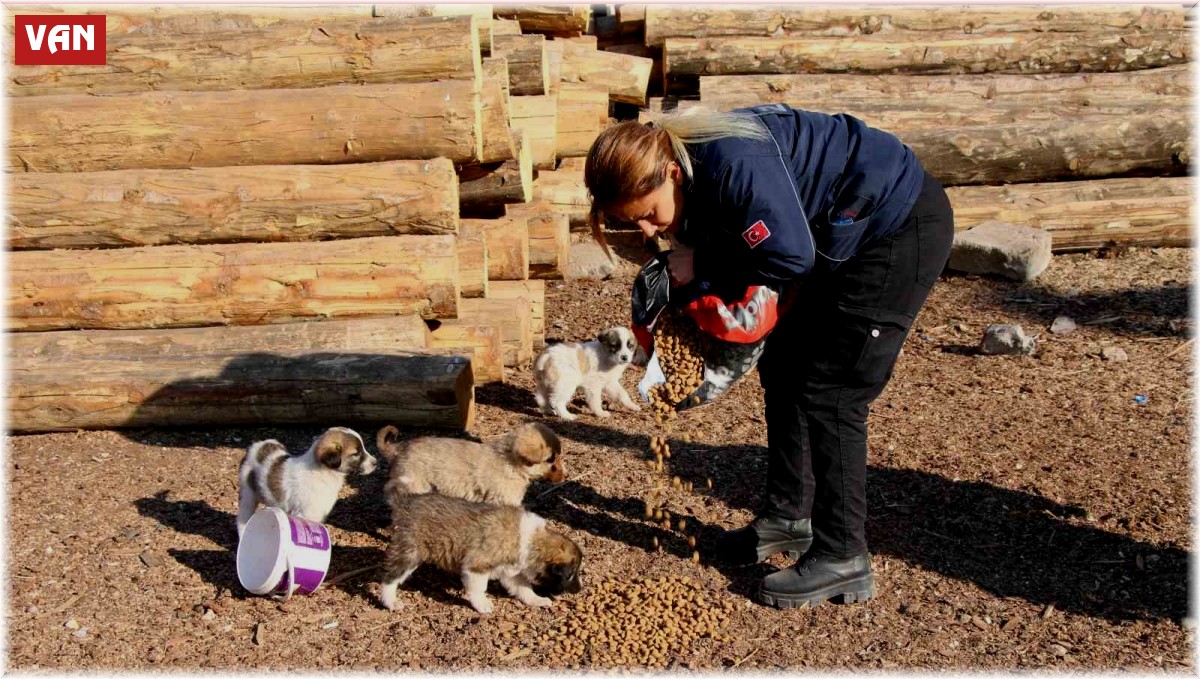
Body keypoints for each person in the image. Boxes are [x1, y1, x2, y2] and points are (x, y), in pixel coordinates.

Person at [584, 105, 954, 608]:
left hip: (892, 229)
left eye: (649, 212)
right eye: (635, 222)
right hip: (831, 235)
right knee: (783, 366)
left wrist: (705, 260)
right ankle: (787, 519)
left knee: (832, 389)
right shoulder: (689, 174)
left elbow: (790, 255)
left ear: (671, 172)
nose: (649, 230)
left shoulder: (733, 164)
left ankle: (843, 555)